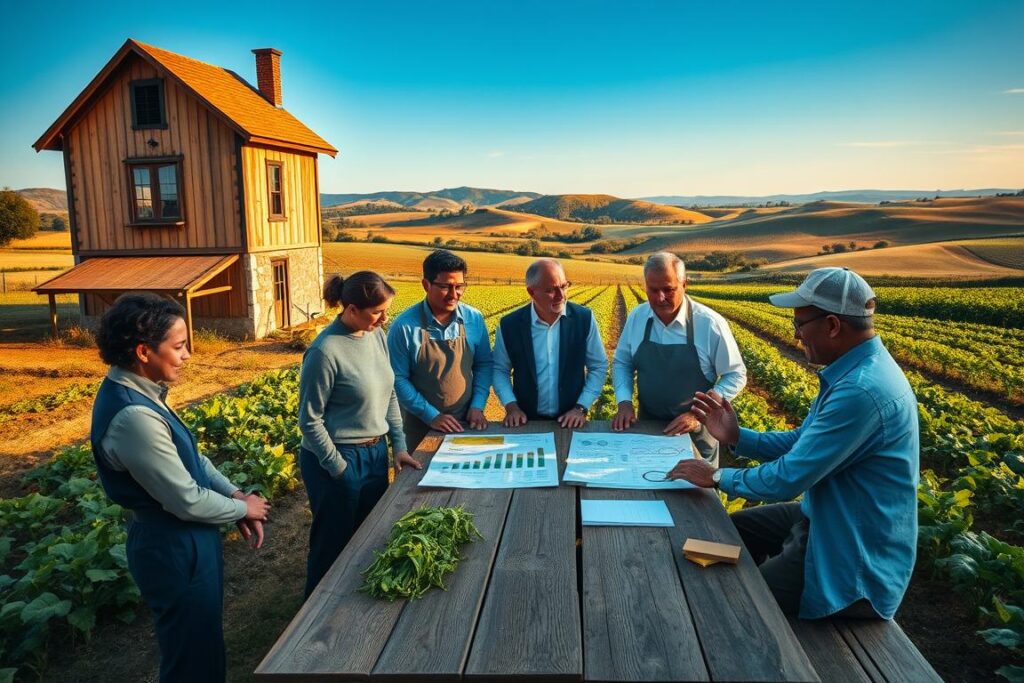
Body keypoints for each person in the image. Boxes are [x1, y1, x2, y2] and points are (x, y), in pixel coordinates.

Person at [668, 267, 919, 621]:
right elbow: (803, 441)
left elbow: (789, 478)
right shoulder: (852, 371)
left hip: (852, 551)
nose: (797, 334)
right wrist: (738, 437)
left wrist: (718, 477)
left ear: (832, 325)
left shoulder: (861, 390)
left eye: (799, 324)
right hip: (827, 514)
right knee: (728, 532)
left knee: (740, 602)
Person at [91, 292, 270, 683]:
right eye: (178, 346)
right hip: (171, 543)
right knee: (191, 659)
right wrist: (245, 510)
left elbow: (193, 461)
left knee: (203, 644)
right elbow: (186, 500)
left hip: (186, 537)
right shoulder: (134, 416)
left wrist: (234, 494)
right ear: (143, 351)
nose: (187, 354)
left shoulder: (144, 391)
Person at [299, 271, 421, 598]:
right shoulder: (324, 351)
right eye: (376, 312)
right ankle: (312, 616)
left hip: (374, 453)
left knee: (370, 536)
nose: (383, 319)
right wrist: (339, 468)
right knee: (332, 543)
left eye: (386, 311)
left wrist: (399, 446)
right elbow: (310, 421)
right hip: (335, 457)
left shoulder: (375, 336)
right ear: (350, 309)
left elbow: (390, 394)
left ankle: (353, 607)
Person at [611, 252, 746, 465]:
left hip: (696, 433)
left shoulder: (709, 324)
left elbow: (735, 374)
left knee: (696, 494)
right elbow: (622, 362)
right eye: (653, 290)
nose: (660, 297)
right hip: (648, 428)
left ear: (684, 284)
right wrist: (624, 402)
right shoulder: (638, 317)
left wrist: (700, 414)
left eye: (668, 289)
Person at [387, 249, 494, 450]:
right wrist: (431, 416)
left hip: (467, 421)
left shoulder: (473, 319)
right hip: (421, 425)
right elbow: (398, 378)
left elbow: (484, 365)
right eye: (445, 287)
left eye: (460, 286)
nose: (454, 295)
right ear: (426, 285)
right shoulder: (404, 327)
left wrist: (477, 406)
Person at [493, 258, 608, 428]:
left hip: (571, 421)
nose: (561, 296)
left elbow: (598, 366)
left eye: (563, 286)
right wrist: (512, 407)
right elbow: (499, 369)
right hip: (526, 422)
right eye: (551, 290)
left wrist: (580, 407)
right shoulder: (510, 325)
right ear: (531, 292)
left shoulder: (584, 319)